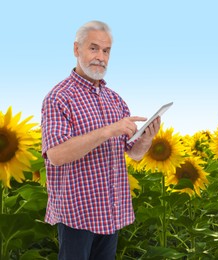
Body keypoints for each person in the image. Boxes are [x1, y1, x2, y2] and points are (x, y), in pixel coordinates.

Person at [41, 20, 160, 259]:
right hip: (78, 215)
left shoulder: (115, 100)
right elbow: (56, 155)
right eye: (93, 48)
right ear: (77, 50)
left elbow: (133, 153)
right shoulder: (59, 98)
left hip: (111, 212)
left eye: (106, 51)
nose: (100, 57)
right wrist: (107, 131)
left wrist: (147, 139)